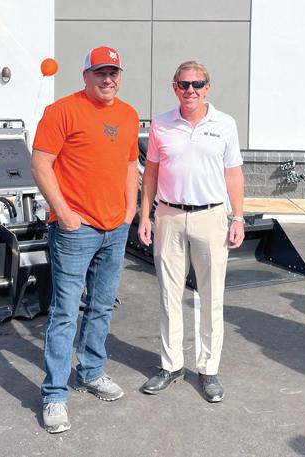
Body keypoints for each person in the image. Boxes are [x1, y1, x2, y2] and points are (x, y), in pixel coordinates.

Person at [31, 46, 139, 433]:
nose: (108, 80)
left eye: (114, 73)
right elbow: (40, 164)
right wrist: (64, 213)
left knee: (102, 306)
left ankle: (91, 372)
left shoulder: (128, 114)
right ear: (86, 75)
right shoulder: (62, 111)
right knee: (64, 313)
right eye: (100, 73)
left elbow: (130, 163)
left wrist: (130, 210)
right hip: (76, 230)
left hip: (115, 228)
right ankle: (54, 394)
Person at [138, 61, 244, 402]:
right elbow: (151, 173)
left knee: (211, 297)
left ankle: (208, 370)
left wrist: (238, 217)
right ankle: (171, 366)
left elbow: (233, 174)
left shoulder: (225, 124)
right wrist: (145, 216)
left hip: (211, 217)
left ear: (207, 87)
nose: (190, 90)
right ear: (175, 87)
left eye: (197, 84)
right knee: (169, 296)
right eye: (184, 84)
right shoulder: (161, 124)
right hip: (168, 216)